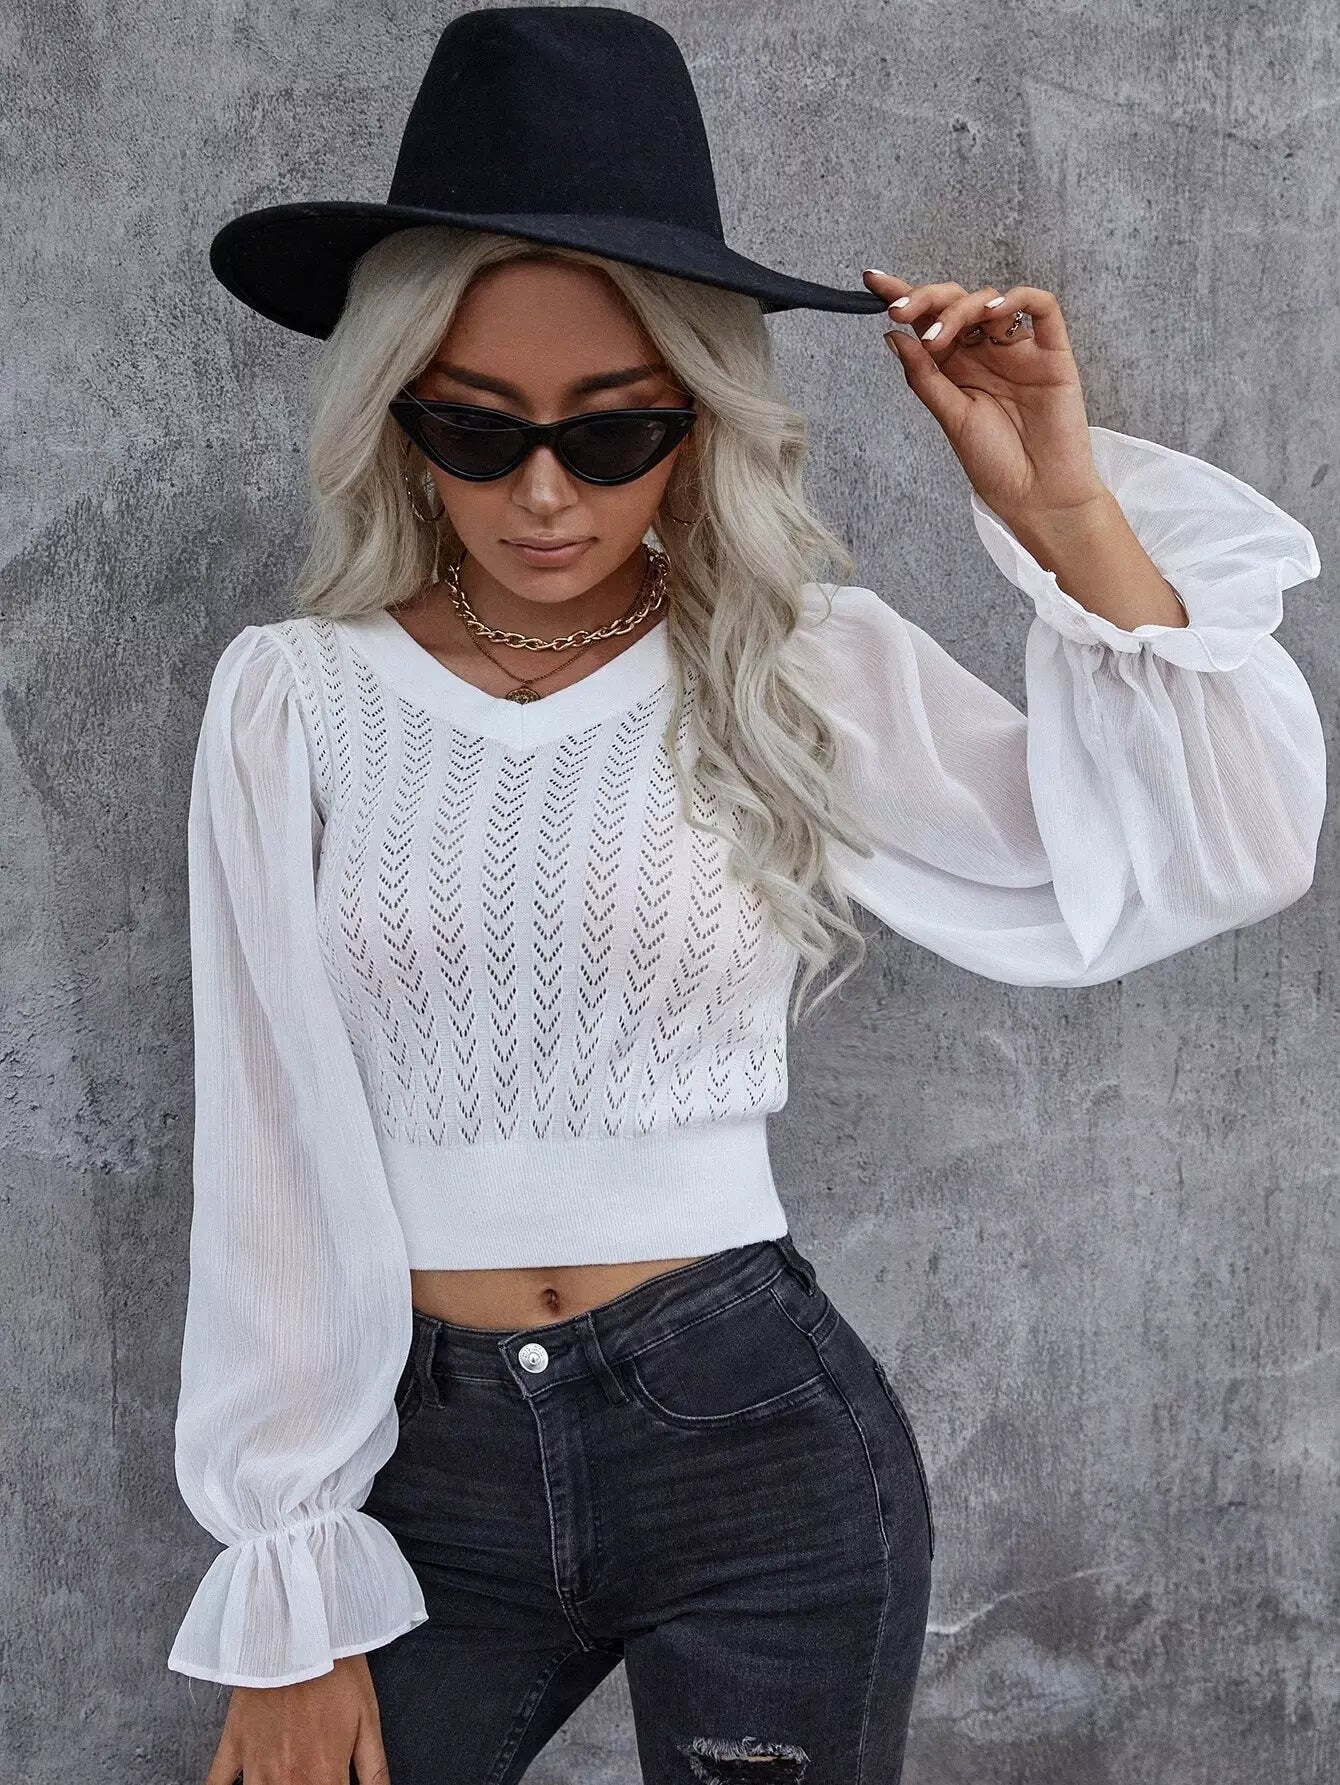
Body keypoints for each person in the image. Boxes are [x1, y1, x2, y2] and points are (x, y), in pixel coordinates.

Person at [168, 10, 1325, 1785]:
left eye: (615, 430)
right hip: (417, 1465)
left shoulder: (791, 666)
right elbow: (262, 1148)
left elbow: (1211, 850)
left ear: (700, 420)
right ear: (394, 416)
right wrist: (287, 1584)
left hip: (754, 1438)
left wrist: (1062, 501)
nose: (541, 493)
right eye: (473, 428)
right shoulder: (293, 699)